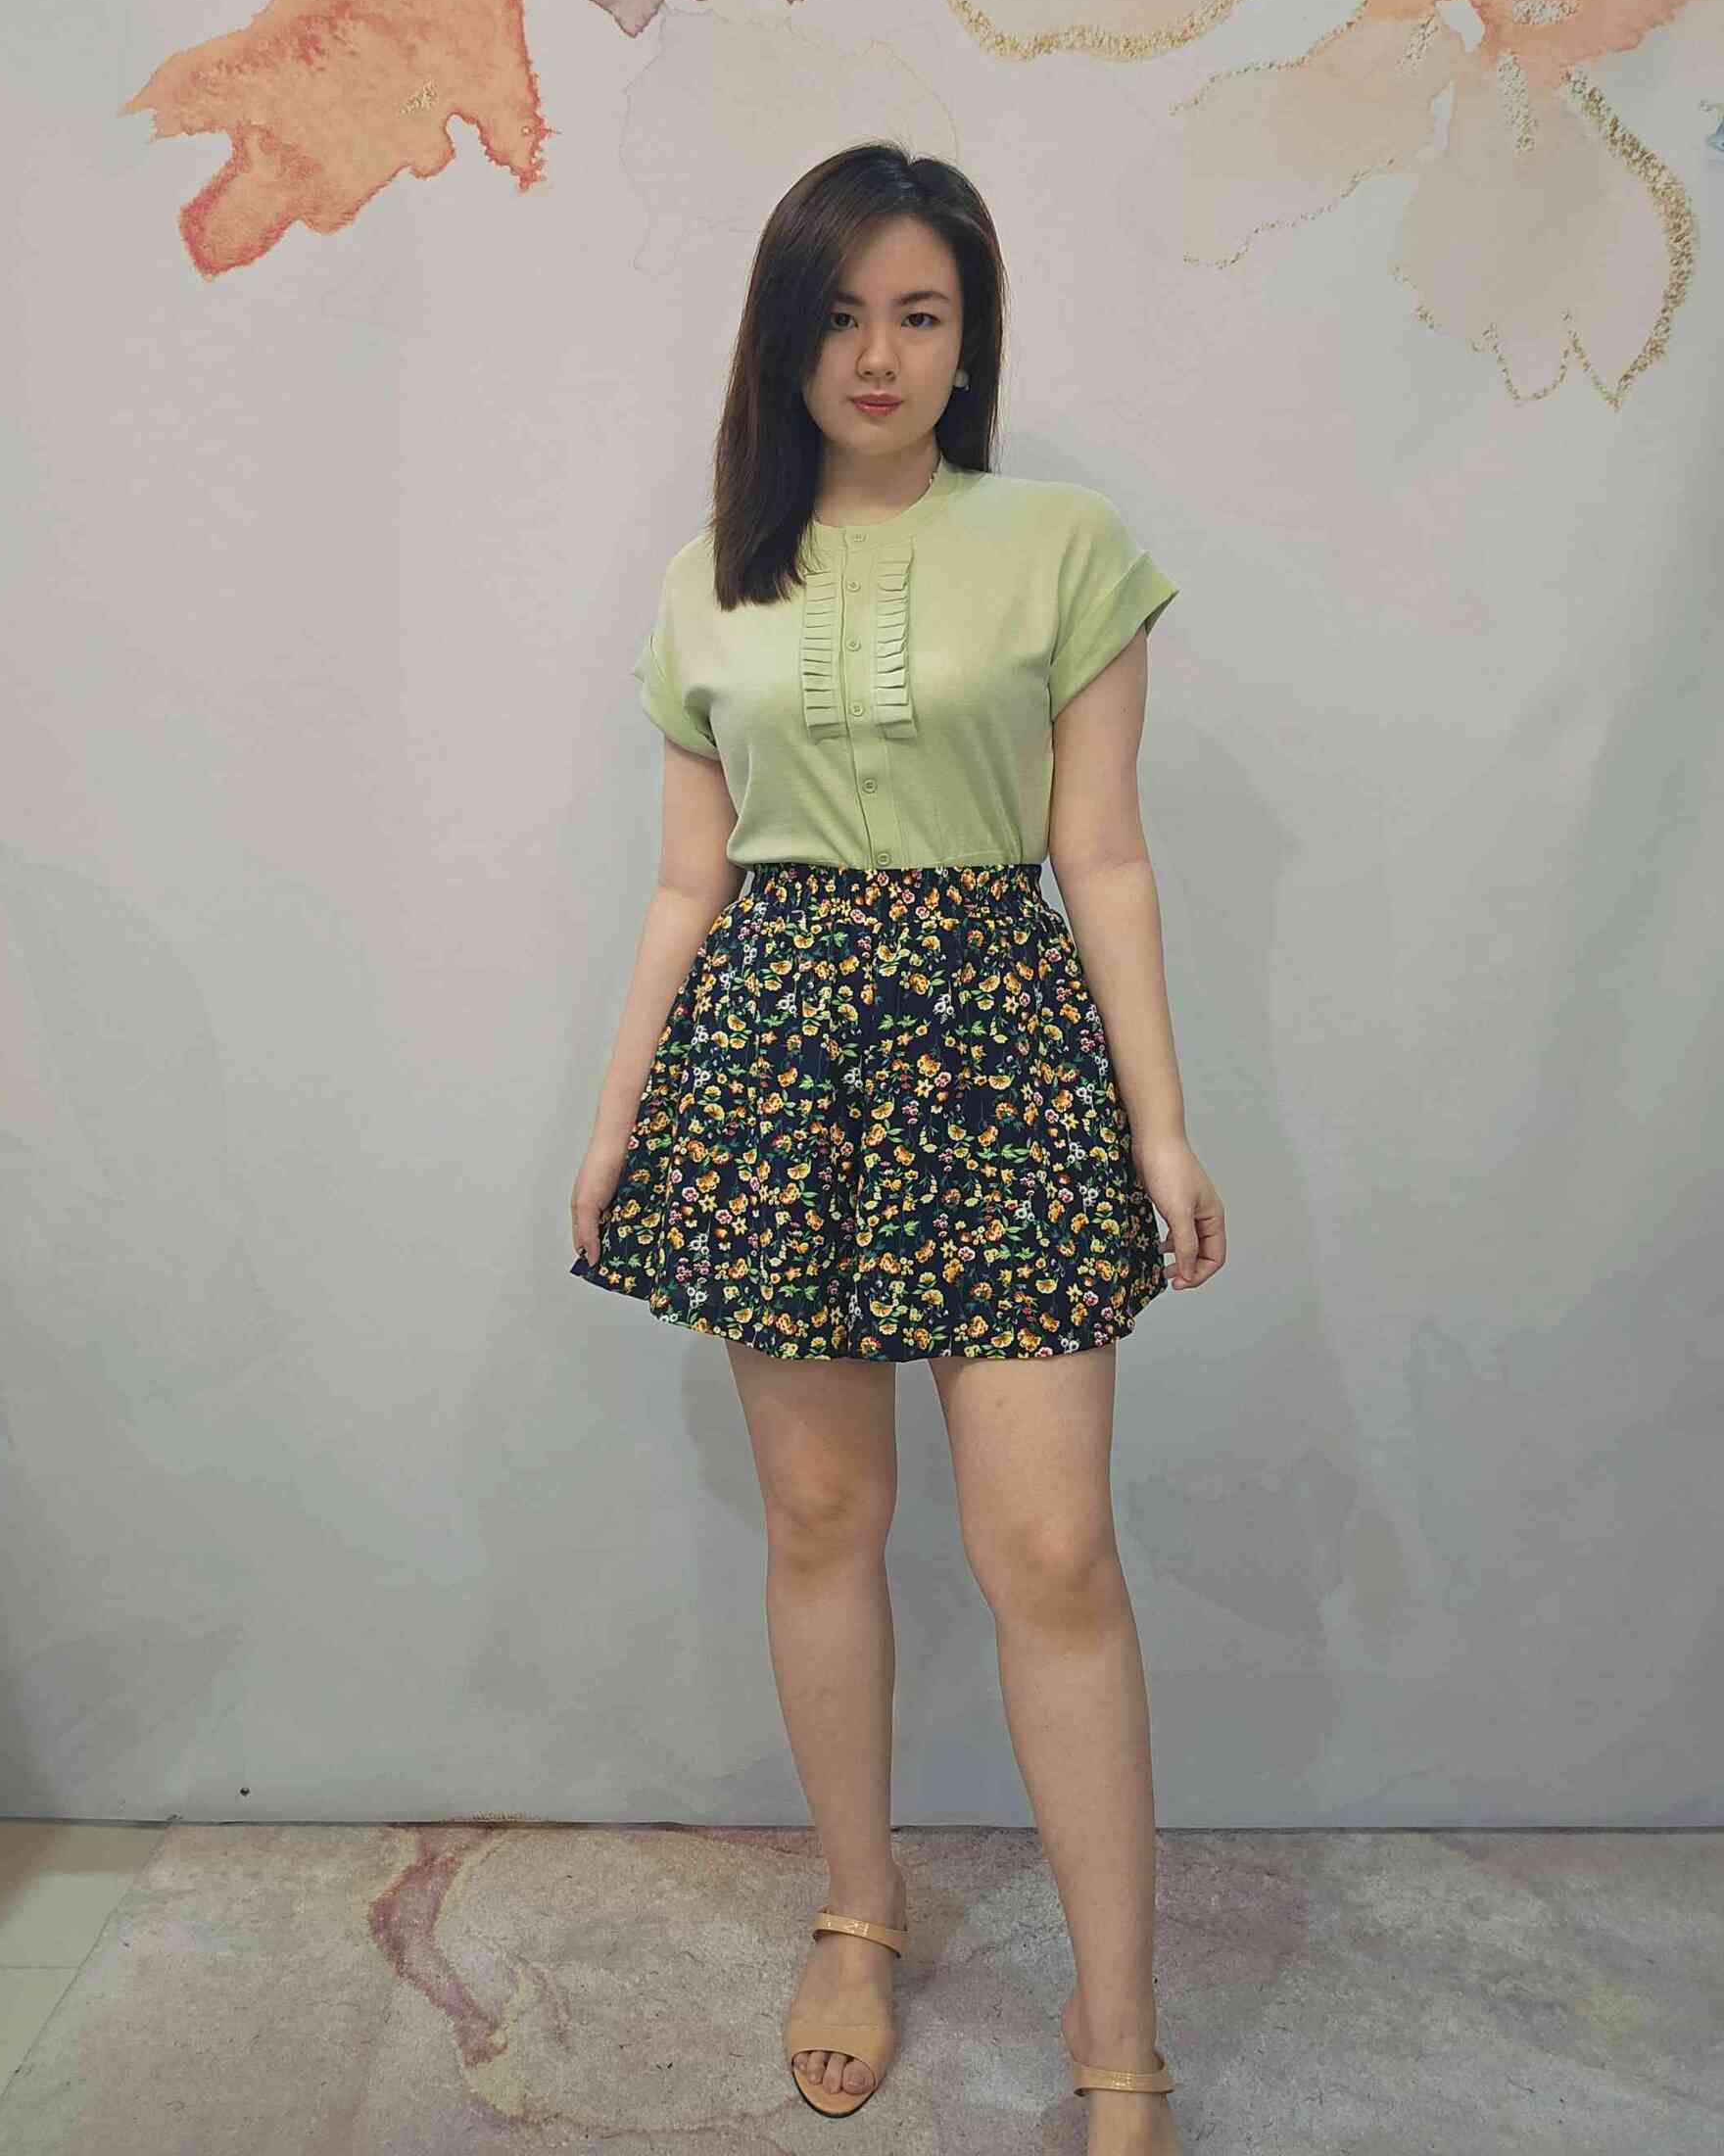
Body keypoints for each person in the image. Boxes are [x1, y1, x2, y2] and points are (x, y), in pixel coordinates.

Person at [569, 141, 1225, 2148]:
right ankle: (857, 1912)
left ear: (970, 338)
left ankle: (1119, 2019)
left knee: (1052, 1548)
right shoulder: (712, 575)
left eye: (921, 314)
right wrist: (618, 1119)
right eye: (842, 313)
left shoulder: (1063, 546)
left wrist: (1162, 1127)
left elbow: (1103, 856)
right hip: (771, 1063)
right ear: (783, 338)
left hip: (1000, 1054)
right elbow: (686, 886)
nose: (880, 353)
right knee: (820, 1520)